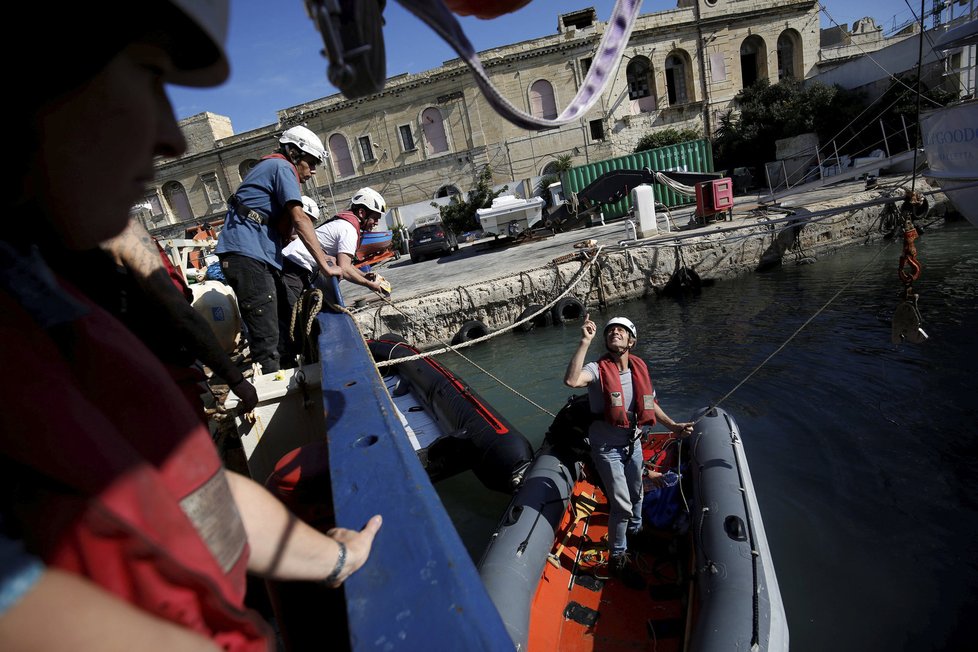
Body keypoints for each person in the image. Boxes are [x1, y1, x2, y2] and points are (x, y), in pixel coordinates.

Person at [0, 1, 381, 649]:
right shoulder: (281, 171)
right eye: (149, 73)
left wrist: (335, 559)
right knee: (270, 335)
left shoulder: (45, 294)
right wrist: (337, 274)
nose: (173, 137)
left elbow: (194, 490)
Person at [564, 313, 692, 586]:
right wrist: (584, 342)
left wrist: (674, 426)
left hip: (633, 444)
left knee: (637, 495)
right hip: (607, 448)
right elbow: (572, 381)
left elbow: (650, 404)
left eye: (622, 331)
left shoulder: (638, 369)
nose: (615, 333)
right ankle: (618, 559)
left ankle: (635, 534)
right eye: (611, 331)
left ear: (631, 341)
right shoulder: (597, 369)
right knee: (621, 505)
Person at [215, 125, 343, 375]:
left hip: (255, 255)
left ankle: (292, 376)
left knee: (282, 325)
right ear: (294, 153)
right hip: (248, 256)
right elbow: (299, 219)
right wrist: (324, 263)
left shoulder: (273, 167)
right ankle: (281, 395)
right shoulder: (283, 167)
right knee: (268, 337)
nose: (313, 171)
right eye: (311, 162)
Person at [280, 188, 390, 306]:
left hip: (291, 266)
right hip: (292, 269)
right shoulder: (349, 230)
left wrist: (364, 276)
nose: (377, 222)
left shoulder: (344, 224)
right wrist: (369, 285)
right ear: (362, 213)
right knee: (293, 317)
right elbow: (345, 269)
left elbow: (347, 265)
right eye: (375, 218)